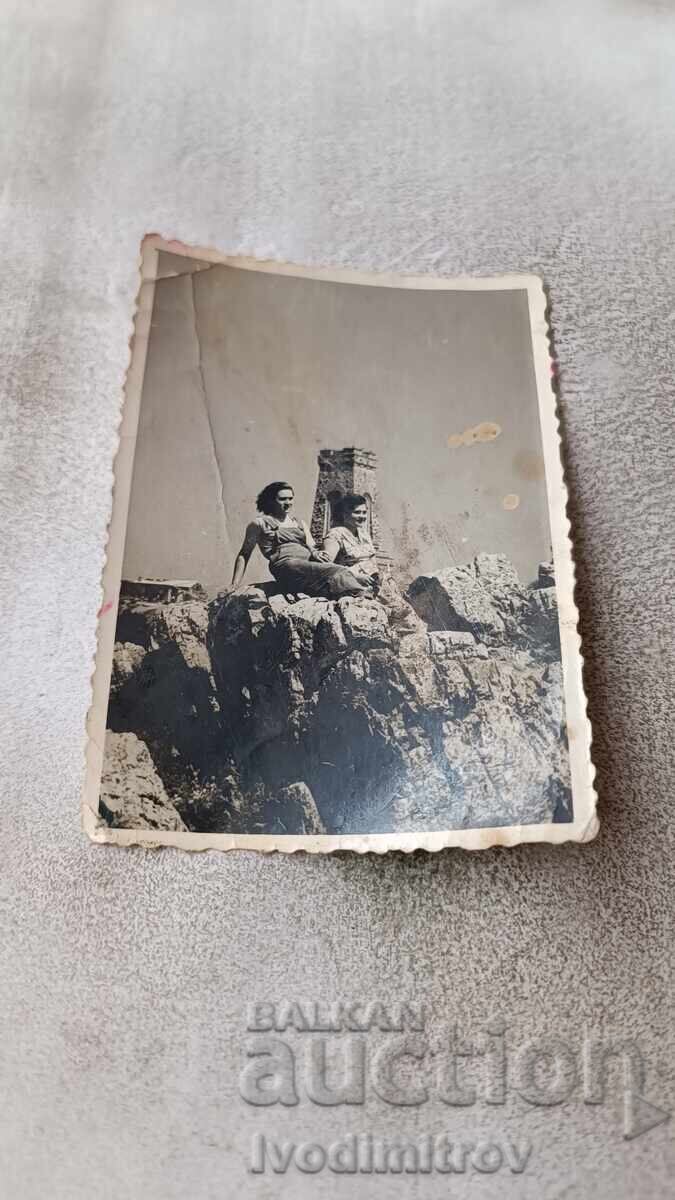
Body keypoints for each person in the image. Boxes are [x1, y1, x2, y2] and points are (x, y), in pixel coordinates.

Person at [230, 481, 371, 598]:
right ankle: (360, 593)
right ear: (271, 500)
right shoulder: (260, 523)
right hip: (287, 565)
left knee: (332, 577)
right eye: (282, 499)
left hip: (308, 564)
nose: (288, 503)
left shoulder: (299, 523)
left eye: (290, 498)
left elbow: (312, 547)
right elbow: (244, 553)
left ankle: (356, 593)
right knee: (337, 571)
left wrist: (317, 553)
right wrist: (234, 584)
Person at [322, 494, 380, 589]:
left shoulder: (364, 534)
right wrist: (355, 576)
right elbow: (326, 567)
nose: (362, 516)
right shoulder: (335, 534)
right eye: (357, 512)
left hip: (371, 585)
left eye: (364, 512)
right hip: (348, 585)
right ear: (345, 514)